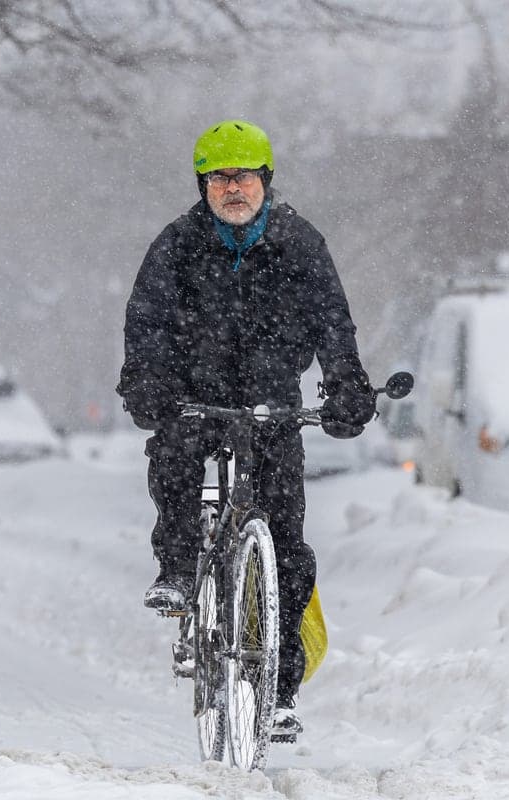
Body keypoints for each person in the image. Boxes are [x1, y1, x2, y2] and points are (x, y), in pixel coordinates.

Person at [116, 119, 376, 738]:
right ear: (203, 185)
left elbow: (334, 324)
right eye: (220, 178)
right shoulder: (176, 246)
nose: (234, 189)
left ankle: (280, 690)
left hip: (271, 400)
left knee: (287, 540)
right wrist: (147, 382)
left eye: (245, 177)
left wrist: (345, 386)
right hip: (193, 394)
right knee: (175, 459)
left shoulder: (300, 244)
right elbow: (145, 322)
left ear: (266, 181)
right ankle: (178, 570)